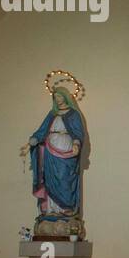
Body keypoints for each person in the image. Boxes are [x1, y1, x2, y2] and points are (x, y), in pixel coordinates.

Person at [20, 85, 86, 232]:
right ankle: (51, 210)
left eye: (60, 97)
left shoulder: (73, 114)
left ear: (66, 97)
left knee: (64, 178)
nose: (58, 100)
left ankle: (66, 210)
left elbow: (78, 133)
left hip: (66, 148)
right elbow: (42, 131)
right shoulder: (52, 114)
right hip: (50, 149)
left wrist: (76, 143)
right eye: (55, 97)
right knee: (50, 179)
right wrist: (31, 142)